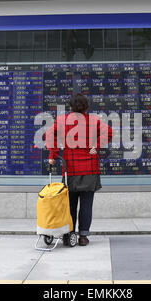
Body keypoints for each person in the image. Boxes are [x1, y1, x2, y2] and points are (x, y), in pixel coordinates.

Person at [46, 93, 113, 246]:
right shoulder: (94, 120)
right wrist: (96, 145)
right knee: (86, 205)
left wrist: (53, 154)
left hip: (70, 169)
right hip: (90, 168)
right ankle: (83, 237)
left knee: (69, 204)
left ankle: (69, 235)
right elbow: (109, 132)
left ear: (70, 107)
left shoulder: (63, 121)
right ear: (87, 107)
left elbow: (50, 134)